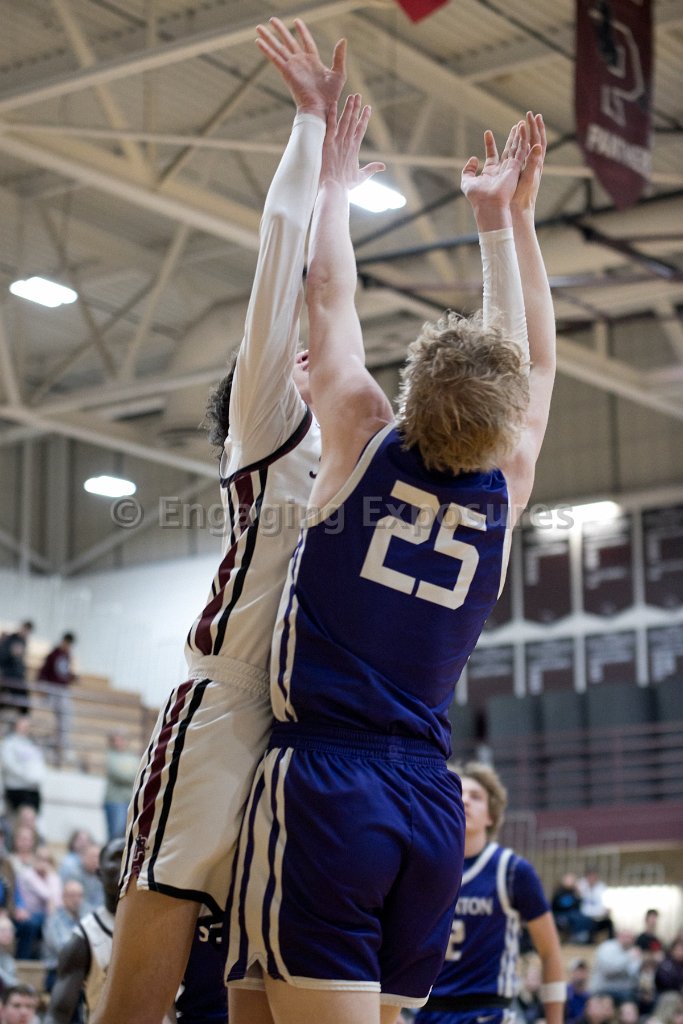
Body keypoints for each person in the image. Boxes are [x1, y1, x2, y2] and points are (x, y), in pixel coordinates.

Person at [225, 101, 556, 1022]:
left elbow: (328, 295)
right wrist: (504, 223)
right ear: (502, 420)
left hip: (327, 782)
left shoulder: (363, 433)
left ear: (410, 390)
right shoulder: (508, 481)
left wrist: (332, 188)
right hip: (429, 800)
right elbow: (532, 366)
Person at [92, 19, 347, 1024]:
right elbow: (284, 269)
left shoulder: (356, 460)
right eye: (289, 356)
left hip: (311, 739)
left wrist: (339, 194)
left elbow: (334, 296)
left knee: (257, 974)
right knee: (149, 964)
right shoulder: (272, 429)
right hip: (224, 709)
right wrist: (308, 131)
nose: (307, 350)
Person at [413, 762, 565, 1024]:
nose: (465, 800)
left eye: (476, 796)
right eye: (458, 794)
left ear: (491, 816)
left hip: (488, 1011)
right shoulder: (422, 870)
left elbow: (550, 951)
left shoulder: (512, 870)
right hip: (427, 1013)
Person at [45, 838, 125, 1024]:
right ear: (99, 873)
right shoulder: (84, 937)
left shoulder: (165, 925)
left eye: (132, 857)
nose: (126, 864)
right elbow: (57, 1014)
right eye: (117, 857)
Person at [38, 633, 77, 759]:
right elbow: (43, 671)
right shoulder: (53, 654)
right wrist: (42, 686)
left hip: (62, 689)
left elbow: (64, 673)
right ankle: (51, 745)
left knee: (66, 718)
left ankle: (62, 745)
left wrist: (72, 677)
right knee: (50, 719)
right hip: (52, 689)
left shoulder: (67, 656)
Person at [43, 880, 84, 992]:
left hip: (79, 972)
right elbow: (63, 950)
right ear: (63, 898)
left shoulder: (84, 920)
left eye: (79, 896)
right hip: (58, 973)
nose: (76, 900)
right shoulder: (54, 921)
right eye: (72, 895)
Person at [0, 718, 46, 813]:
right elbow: (10, 765)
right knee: (23, 816)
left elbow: (38, 763)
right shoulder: (9, 743)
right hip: (17, 787)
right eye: (23, 726)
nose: (26, 729)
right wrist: (26, 776)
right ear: (16, 727)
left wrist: (38, 777)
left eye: (27, 726)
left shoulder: (31, 744)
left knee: (33, 817)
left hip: (33, 788)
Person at [102, 732, 139, 840]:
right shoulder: (111, 757)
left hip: (130, 801)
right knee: (116, 834)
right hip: (115, 801)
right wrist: (135, 777)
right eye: (115, 740)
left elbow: (139, 772)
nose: (118, 743)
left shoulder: (132, 756)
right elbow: (119, 774)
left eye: (120, 740)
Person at [591, 930, 641, 1004]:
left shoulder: (634, 951)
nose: (628, 940)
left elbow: (633, 974)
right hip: (603, 989)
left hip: (626, 991)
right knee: (606, 1003)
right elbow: (608, 971)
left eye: (631, 938)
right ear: (618, 936)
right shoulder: (606, 948)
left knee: (632, 1005)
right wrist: (628, 958)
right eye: (625, 937)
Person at [0, 623, 33, 714]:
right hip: (9, 677)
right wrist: (10, 653)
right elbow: (2, 658)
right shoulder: (10, 640)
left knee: (23, 704)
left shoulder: (23, 642)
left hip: (18, 678)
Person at [551, 873, 592, 944]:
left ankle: (583, 935)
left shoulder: (574, 892)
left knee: (585, 918)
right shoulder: (559, 892)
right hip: (560, 914)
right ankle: (576, 936)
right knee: (573, 918)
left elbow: (579, 904)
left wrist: (578, 895)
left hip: (574, 913)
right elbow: (561, 905)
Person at [578, 868, 615, 943]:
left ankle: (611, 943)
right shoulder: (581, 886)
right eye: (590, 876)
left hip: (598, 917)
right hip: (584, 918)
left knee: (609, 923)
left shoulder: (602, 888)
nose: (592, 879)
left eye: (594, 876)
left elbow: (605, 905)